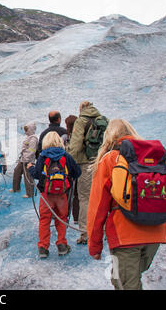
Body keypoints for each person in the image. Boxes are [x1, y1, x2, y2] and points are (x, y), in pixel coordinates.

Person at [87, 119, 166, 290]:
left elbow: (98, 207)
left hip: (125, 236)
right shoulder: (155, 160)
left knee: (124, 283)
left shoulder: (111, 159)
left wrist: (94, 245)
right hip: (156, 232)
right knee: (123, 278)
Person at [28, 132, 81, 258]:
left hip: (46, 194)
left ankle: (43, 248)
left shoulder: (42, 156)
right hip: (62, 194)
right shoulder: (66, 156)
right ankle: (62, 245)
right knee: (62, 218)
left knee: (45, 220)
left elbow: (36, 174)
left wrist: (30, 167)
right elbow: (77, 172)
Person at [67, 101, 105, 245]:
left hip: (84, 163)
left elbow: (75, 146)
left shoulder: (80, 121)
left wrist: (68, 159)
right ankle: (104, 228)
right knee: (102, 195)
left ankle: (85, 232)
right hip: (101, 162)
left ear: (81, 109)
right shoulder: (102, 120)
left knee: (84, 198)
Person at [10, 122, 38, 198]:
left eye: (27, 129)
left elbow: (32, 151)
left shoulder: (33, 139)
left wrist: (26, 159)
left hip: (28, 161)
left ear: (31, 129)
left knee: (28, 177)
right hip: (23, 159)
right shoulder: (28, 137)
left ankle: (30, 193)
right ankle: (16, 188)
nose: (25, 131)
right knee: (17, 171)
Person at [65, 115, 79, 223]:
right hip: (79, 167)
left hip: (67, 170)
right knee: (77, 195)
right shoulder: (79, 136)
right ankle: (77, 217)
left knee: (67, 193)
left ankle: (65, 215)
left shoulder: (65, 137)